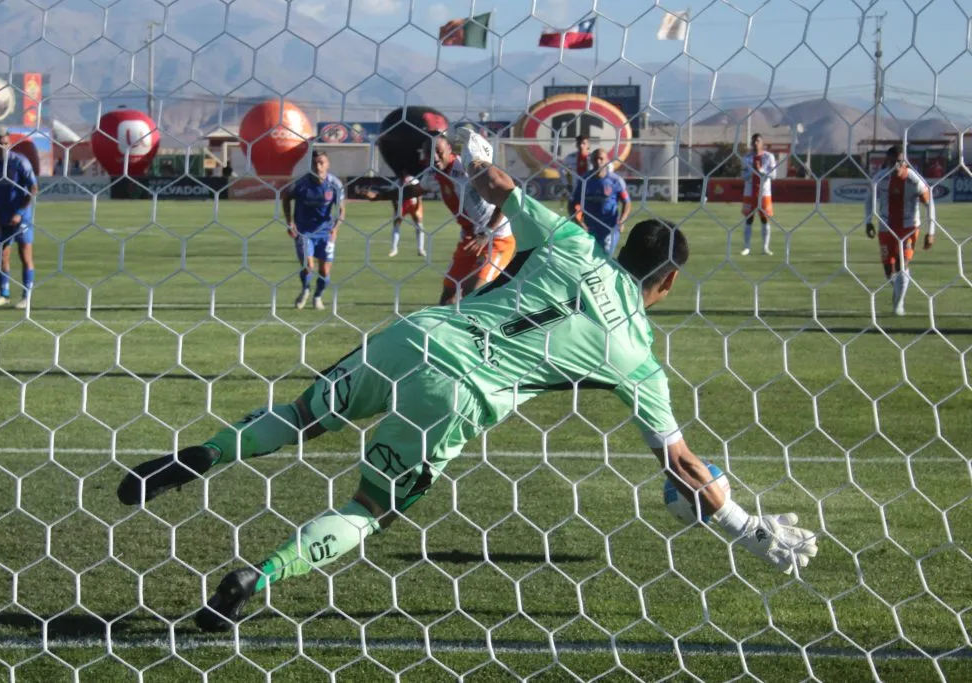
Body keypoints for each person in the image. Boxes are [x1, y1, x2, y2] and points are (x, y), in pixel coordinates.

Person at [116, 129, 818, 633]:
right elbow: (683, 463)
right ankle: (256, 578)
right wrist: (746, 525)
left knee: (301, 414)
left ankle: (200, 455)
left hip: (416, 334)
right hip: (456, 395)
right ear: (665, 282)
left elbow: (500, 188)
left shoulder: (573, 241)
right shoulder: (636, 351)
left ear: (621, 244)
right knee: (369, 507)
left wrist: (476, 153)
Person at [366, 136, 515, 305]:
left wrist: (488, 231)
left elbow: (506, 197)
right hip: (469, 238)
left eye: (439, 151)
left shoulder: (468, 169)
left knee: (473, 293)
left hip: (497, 237)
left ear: (450, 150)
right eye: (430, 153)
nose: (435, 157)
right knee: (449, 295)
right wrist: (381, 196)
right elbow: (414, 191)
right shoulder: (433, 175)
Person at [865, 145, 936, 316]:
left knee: (902, 265)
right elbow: (868, 200)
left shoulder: (914, 180)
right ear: (887, 162)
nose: (895, 165)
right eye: (891, 162)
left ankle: (898, 304)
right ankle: (899, 291)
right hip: (886, 227)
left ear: (905, 162)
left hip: (909, 228)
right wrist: (868, 222)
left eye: (898, 161)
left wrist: (930, 231)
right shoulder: (879, 179)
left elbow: (929, 204)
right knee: (889, 270)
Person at [0, 127, 39, 310]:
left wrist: (20, 212)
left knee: (25, 254)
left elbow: (33, 188)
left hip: (22, 216)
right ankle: (4, 294)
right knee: (2, 256)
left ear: (10, 143)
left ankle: (26, 296)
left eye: (5, 143)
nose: (2, 146)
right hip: (1, 215)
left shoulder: (20, 161)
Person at [282, 151, 345, 311]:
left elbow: (342, 210)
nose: (318, 166)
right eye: (315, 163)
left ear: (327, 164)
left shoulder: (334, 184)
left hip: (326, 232)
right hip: (304, 231)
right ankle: (305, 289)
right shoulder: (301, 183)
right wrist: (290, 222)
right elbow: (286, 197)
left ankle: (318, 296)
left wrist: (335, 229)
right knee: (308, 266)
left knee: (324, 271)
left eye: (321, 163)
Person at [573, 148, 632, 256]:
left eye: (601, 159)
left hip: (610, 227)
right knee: (589, 257)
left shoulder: (615, 181)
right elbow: (575, 204)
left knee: (604, 256)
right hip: (589, 227)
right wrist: (580, 222)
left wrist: (622, 221)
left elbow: (627, 202)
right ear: (591, 161)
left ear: (607, 161)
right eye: (595, 159)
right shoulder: (584, 180)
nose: (598, 162)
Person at [740, 133, 777, 256]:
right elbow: (743, 176)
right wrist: (752, 172)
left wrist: (760, 171)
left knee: (764, 219)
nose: (756, 143)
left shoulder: (769, 157)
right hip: (749, 193)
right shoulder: (746, 158)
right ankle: (747, 248)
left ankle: (765, 248)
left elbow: (773, 175)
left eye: (758, 141)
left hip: (764, 193)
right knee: (749, 219)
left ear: (762, 143)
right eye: (754, 141)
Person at [387, 176, 426, 258]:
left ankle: (421, 249)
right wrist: (397, 210)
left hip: (413, 203)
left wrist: (418, 207)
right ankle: (394, 249)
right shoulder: (396, 182)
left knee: (419, 224)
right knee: (396, 223)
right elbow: (393, 197)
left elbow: (419, 195)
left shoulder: (414, 180)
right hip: (402, 204)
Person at [562, 135, 592, 217]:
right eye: (579, 143)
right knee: (573, 210)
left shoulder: (593, 157)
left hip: (591, 189)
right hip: (575, 188)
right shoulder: (570, 157)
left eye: (584, 143)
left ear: (588, 145)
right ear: (576, 145)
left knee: (590, 211)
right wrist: (566, 184)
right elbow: (562, 170)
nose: (581, 145)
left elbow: (607, 168)